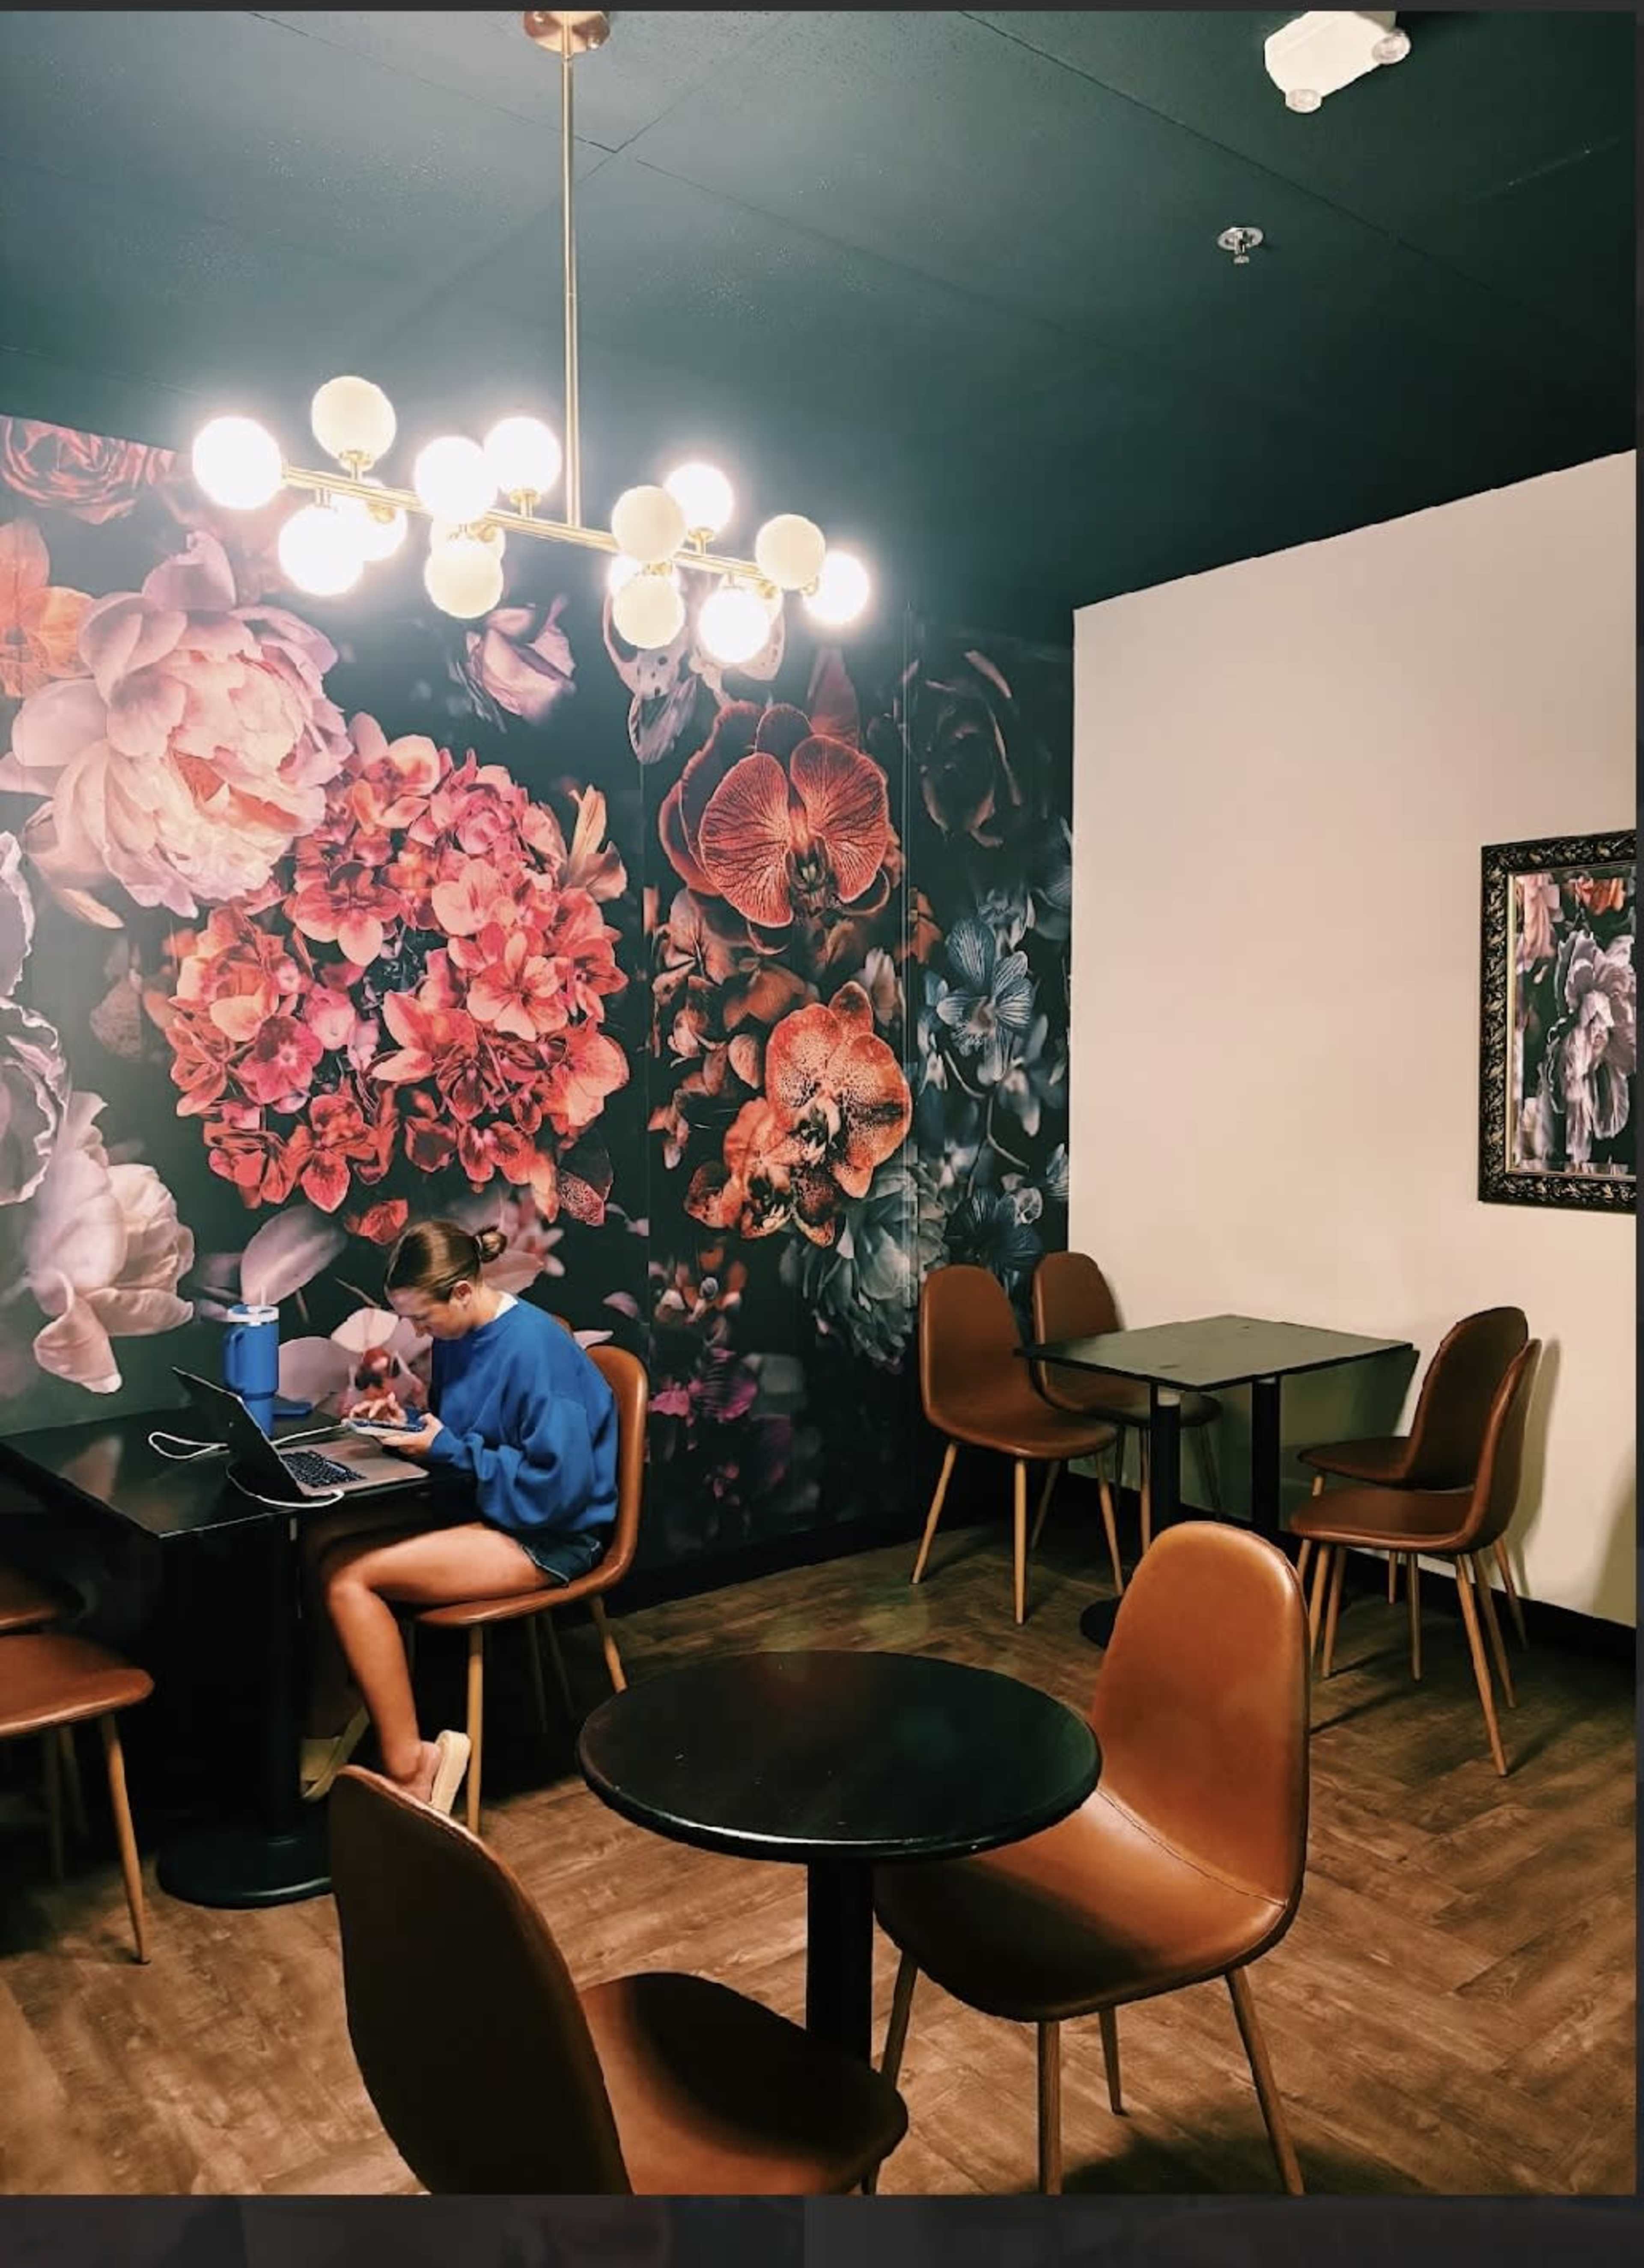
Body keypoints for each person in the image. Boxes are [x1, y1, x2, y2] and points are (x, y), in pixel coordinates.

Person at [299, 1219, 619, 1813]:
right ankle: (344, 1703)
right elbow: (473, 1437)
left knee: (350, 1583)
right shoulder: (458, 1337)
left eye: (423, 1318)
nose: (418, 1333)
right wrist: (409, 1422)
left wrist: (443, 1447)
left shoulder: (535, 1351)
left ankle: (415, 1764)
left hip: (548, 1534)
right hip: (490, 1507)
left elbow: (559, 1491)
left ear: (464, 1293)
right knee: (319, 1537)